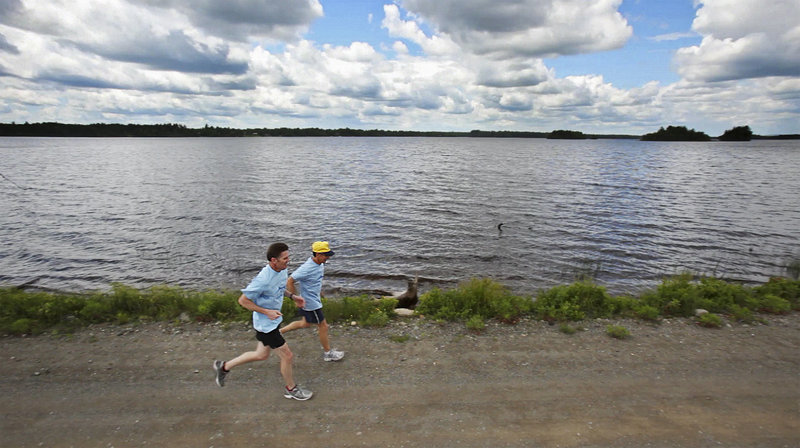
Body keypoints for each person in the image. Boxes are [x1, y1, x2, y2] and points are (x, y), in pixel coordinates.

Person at [213, 242, 313, 401]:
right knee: (287, 356)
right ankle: (291, 389)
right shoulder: (263, 280)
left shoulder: (281, 269)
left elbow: (280, 287)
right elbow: (243, 301)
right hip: (266, 326)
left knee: (261, 355)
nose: (289, 260)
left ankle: (224, 367)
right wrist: (267, 312)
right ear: (274, 260)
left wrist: (293, 297)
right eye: (285, 258)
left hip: (273, 321)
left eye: (288, 257)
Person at [280, 241, 344, 362]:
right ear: (318, 254)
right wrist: (295, 298)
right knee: (323, 326)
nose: (328, 257)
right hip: (310, 304)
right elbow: (290, 281)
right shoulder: (307, 268)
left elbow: (314, 280)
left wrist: (319, 292)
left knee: (305, 323)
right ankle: (328, 353)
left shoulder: (319, 264)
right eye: (326, 255)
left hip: (313, 299)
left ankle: (278, 333)